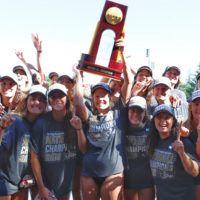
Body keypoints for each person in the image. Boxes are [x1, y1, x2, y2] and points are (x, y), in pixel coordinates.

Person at [72, 42, 132, 199]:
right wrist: (78, 76)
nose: (100, 99)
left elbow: (128, 82)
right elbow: (78, 101)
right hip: (88, 171)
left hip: (112, 171)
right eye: (97, 96)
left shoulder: (119, 112)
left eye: (103, 95)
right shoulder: (89, 117)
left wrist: (124, 55)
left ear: (110, 96)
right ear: (92, 98)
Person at [30, 83, 78, 200]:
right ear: (49, 101)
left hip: (65, 185)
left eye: (61, 96)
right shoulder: (41, 123)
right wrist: (41, 187)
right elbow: (34, 158)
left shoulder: (74, 121)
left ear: (67, 99)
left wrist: (79, 128)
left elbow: (83, 149)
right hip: (45, 185)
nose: (57, 99)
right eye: (53, 96)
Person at [0, 84, 47, 200]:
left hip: (24, 182)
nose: (36, 102)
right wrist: (2, 128)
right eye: (33, 99)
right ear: (26, 101)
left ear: (45, 105)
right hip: (6, 180)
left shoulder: (43, 126)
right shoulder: (15, 121)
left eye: (41, 100)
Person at [149, 104, 199, 200]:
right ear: (154, 120)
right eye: (159, 117)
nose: (162, 121)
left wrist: (182, 153)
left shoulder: (182, 141)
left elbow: (195, 171)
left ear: (173, 121)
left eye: (167, 117)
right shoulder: (152, 140)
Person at [124, 96, 154, 200]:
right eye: (132, 110)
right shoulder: (122, 126)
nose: (135, 114)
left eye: (139, 111)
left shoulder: (151, 126)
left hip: (147, 179)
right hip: (128, 178)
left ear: (145, 112)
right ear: (127, 111)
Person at [185, 89, 200, 200]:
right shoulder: (183, 128)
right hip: (190, 180)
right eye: (196, 104)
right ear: (190, 107)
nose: (199, 108)